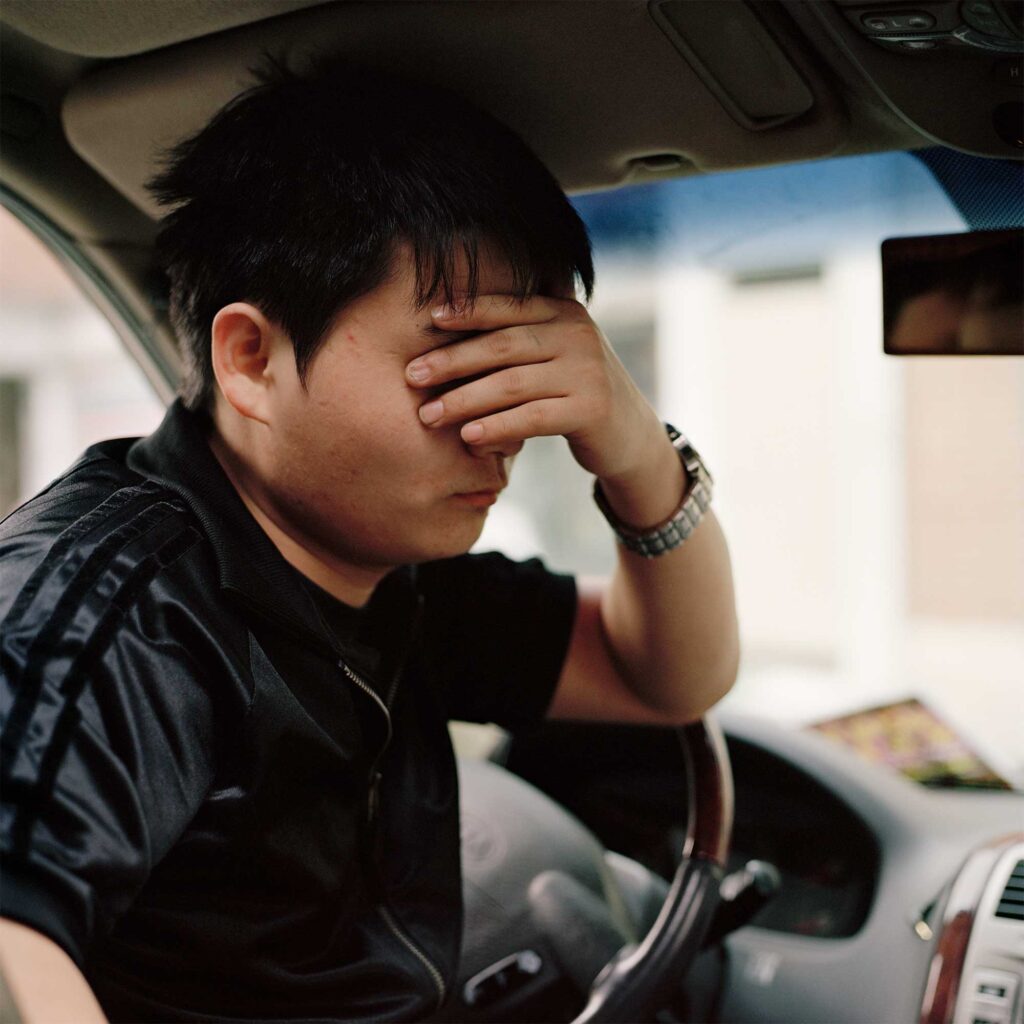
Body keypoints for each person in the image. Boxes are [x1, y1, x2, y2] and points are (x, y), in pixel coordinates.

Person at [0, 56, 739, 1023]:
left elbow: (667, 676)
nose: (507, 427)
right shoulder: (106, 620)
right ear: (252, 359)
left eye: (529, 367)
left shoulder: (385, 566)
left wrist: (637, 447)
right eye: (458, 367)